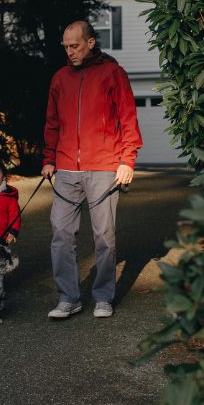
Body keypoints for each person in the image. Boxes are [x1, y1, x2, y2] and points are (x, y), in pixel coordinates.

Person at [41, 19, 142, 320]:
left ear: (90, 43)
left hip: (104, 167)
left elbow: (128, 116)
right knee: (61, 233)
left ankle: (103, 297)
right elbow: (52, 122)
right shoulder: (60, 78)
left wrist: (127, 160)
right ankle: (68, 298)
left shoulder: (112, 73)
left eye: (74, 46)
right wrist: (48, 158)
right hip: (66, 168)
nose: (70, 52)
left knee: (104, 237)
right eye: (66, 47)